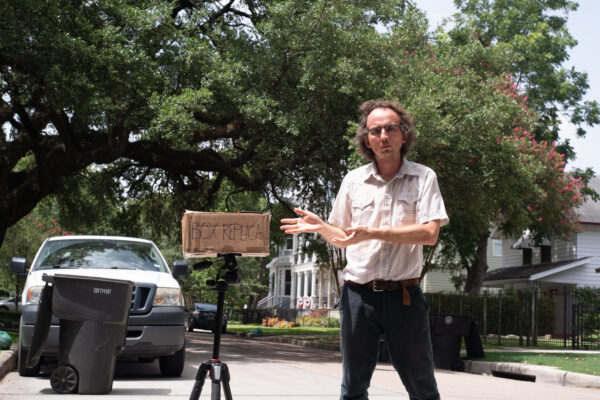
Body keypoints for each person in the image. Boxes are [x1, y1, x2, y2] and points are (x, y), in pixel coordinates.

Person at [280, 99, 448, 400]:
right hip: (358, 296)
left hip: (405, 298)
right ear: (367, 139)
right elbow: (343, 236)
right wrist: (322, 228)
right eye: (375, 130)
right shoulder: (353, 181)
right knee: (353, 389)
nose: (383, 136)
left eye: (391, 129)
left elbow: (430, 233)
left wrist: (373, 232)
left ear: (404, 135)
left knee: (423, 388)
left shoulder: (424, 177)